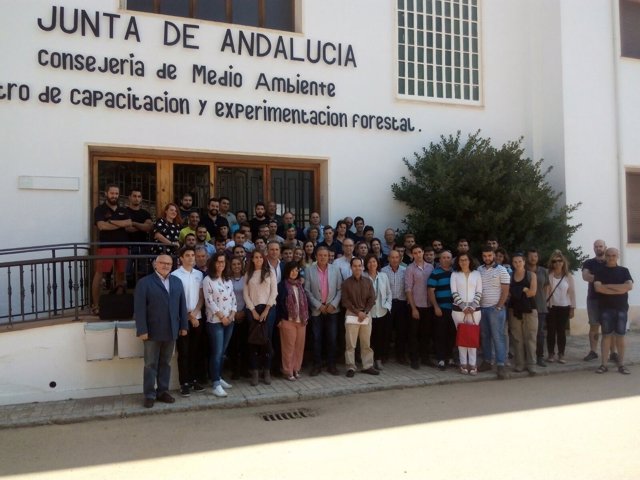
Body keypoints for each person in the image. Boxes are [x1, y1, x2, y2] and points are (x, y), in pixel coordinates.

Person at [134, 254, 188, 408]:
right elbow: (139, 309)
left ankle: (163, 391)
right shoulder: (144, 283)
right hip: (151, 331)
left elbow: (181, 306)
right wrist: (142, 329)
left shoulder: (177, 282)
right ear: (155, 264)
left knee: (165, 363)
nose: (166, 266)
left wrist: (184, 326)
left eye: (169, 264)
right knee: (150, 364)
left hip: (171, 330)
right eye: (162, 263)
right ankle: (149, 394)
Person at [92, 184, 132, 314]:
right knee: (99, 275)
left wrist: (111, 222)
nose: (114, 196)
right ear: (106, 193)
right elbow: (102, 226)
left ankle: (119, 304)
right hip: (106, 246)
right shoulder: (99, 209)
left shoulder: (123, 209)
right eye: (112, 193)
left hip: (123, 246)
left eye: (116, 193)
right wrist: (120, 223)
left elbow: (128, 223)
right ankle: (96, 305)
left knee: (120, 275)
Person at [171, 247, 205, 397]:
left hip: (197, 319)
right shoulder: (175, 275)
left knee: (196, 351)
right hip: (182, 319)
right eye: (188, 255)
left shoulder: (199, 274)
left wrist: (196, 312)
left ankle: (193, 380)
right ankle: (184, 383)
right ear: (181, 258)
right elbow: (174, 300)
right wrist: (189, 316)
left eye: (193, 255)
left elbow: (201, 297)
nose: (191, 258)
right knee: (183, 352)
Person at [594, 248, 633, 375]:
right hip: (605, 309)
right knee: (606, 336)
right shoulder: (599, 271)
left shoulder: (624, 271)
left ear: (618, 256)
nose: (611, 257)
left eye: (614, 255)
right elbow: (598, 288)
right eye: (609, 255)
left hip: (621, 308)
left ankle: (621, 365)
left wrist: (608, 286)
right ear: (605, 256)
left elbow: (629, 286)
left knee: (620, 337)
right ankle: (604, 364)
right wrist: (619, 289)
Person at [304, 246, 343, 376]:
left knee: (332, 338)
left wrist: (333, 304)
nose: (323, 257)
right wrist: (318, 305)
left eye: (325, 255)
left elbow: (340, 289)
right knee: (316, 339)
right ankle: (317, 365)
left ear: (329, 256)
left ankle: (331, 365)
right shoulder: (309, 270)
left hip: (332, 309)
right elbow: (307, 291)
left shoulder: (336, 270)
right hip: (317, 310)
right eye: (320, 255)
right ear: (316, 256)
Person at [202, 252, 236, 397]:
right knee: (216, 353)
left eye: (223, 262)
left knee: (222, 352)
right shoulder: (208, 280)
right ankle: (215, 383)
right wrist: (222, 317)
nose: (221, 264)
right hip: (215, 321)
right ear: (213, 263)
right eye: (218, 262)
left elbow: (233, 298)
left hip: (230, 320)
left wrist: (232, 314)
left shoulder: (227, 279)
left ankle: (219, 377)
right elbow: (209, 301)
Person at [243, 250, 278, 386]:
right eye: (255, 257)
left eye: (260, 257)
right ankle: (255, 372)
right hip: (253, 310)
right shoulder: (248, 274)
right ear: (252, 259)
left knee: (266, 341)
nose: (258, 259)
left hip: (268, 309)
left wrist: (266, 310)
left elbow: (274, 292)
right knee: (254, 341)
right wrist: (253, 311)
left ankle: (267, 370)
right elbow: (246, 295)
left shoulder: (270, 272)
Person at [342, 257, 379, 377]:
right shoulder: (346, 283)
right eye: (355, 266)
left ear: (363, 267)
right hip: (352, 315)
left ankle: (367, 365)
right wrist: (358, 312)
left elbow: (372, 298)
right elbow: (345, 301)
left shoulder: (368, 281)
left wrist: (365, 311)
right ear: (351, 267)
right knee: (350, 344)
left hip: (366, 315)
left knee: (366, 343)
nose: (357, 268)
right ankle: (350, 367)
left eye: (359, 266)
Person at [477, 246, 510, 379]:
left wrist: (499, 306)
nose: (487, 258)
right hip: (482, 308)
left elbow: (505, 290)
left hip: (495, 309)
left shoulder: (502, 270)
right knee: (485, 336)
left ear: (494, 255)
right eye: (485, 256)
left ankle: (500, 364)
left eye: (489, 256)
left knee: (498, 337)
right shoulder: (479, 270)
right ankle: (487, 361)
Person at [451, 253, 482, 375]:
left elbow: (479, 291)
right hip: (459, 310)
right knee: (462, 336)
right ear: (458, 262)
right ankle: (463, 363)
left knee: (472, 336)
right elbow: (454, 291)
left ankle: (473, 363)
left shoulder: (477, 274)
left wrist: (473, 306)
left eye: (466, 260)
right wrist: (463, 306)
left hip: (475, 310)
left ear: (470, 261)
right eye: (461, 260)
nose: (464, 262)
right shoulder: (454, 274)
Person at [277, 261, 309, 381]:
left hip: (301, 321)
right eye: (292, 270)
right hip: (288, 320)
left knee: (299, 347)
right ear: (287, 271)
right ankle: (288, 370)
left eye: (297, 270)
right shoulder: (282, 285)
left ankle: (296, 369)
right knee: (288, 347)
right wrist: (280, 320)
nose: (295, 272)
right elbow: (279, 303)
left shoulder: (300, 285)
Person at [405, 244, 434, 369]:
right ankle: (414, 359)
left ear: (423, 252)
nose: (417, 255)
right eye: (415, 253)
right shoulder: (410, 268)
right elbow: (408, 289)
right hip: (415, 306)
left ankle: (425, 357)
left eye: (419, 252)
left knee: (426, 334)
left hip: (428, 306)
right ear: (412, 255)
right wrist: (413, 308)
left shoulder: (431, 267)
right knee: (413, 334)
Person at [509, 253, 538, 375]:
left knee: (530, 337)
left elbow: (532, 292)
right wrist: (523, 290)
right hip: (514, 309)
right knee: (517, 338)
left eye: (519, 261)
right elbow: (508, 293)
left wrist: (519, 291)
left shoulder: (531, 275)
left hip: (529, 309)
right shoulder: (510, 276)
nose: (517, 264)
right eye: (515, 262)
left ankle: (531, 364)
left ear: (524, 262)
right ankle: (519, 364)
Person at [546, 250, 576, 364]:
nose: (557, 263)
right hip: (551, 307)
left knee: (561, 331)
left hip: (564, 307)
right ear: (552, 263)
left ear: (563, 262)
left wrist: (572, 308)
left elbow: (572, 293)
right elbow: (546, 293)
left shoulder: (568, 276)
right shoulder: (549, 276)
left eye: (560, 261)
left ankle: (561, 354)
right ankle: (550, 353)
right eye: (555, 261)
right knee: (551, 331)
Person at [427, 250, 455, 370]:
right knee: (440, 335)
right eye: (443, 257)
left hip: (455, 310)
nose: (446, 259)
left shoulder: (456, 273)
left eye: (448, 257)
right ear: (440, 259)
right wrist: (436, 306)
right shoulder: (435, 273)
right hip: (441, 309)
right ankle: (441, 359)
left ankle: (450, 358)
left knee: (452, 334)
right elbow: (430, 291)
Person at [363, 254, 392, 371]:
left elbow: (389, 293)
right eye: (369, 262)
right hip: (367, 313)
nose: (372, 264)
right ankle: (368, 361)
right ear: (366, 264)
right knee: (368, 338)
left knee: (380, 337)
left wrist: (388, 306)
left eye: (374, 262)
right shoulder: (363, 277)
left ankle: (378, 360)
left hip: (382, 311)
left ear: (377, 263)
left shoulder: (383, 276)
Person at [381, 250, 409, 364]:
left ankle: (400, 355)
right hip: (388, 304)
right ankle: (384, 355)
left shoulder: (405, 271)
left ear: (400, 259)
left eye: (396, 257)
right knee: (386, 331)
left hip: (402, 303)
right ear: (388, 258)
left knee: (401, 331)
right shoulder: (383, 271)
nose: (394, 259)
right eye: (392, 257)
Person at [582, 239, 608, 362]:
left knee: (609, 327)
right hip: (593, 299)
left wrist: (596, 278)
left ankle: (612, 352)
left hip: (609, 299)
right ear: (593, 248)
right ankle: (593, 351)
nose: (599, 248)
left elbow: (615, 275)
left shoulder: (610, 262)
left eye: (600, 246)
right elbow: (585, 276)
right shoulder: (589, 263)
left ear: (605, 247)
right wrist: (604, 278)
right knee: (594, 326)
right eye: (596, 246)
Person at [527, 248, 550, 368]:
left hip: (540, 307)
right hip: (526, 306)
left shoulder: (543, 271)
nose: (533, 259)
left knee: (539, 334)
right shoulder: (523, 270)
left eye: (535, 256)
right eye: (531, 256)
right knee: (527, 334)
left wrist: (543, 300)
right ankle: (529, 357)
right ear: (527, 257)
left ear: (538, 258)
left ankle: (540, 357)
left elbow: (546, 287)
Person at [125, 189, 153, 283]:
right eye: (134, 196)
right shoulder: (124, 212)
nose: (136, 198)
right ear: (129, 197)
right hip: (127, 246)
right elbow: (126, 228)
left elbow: (148, 228)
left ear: (141, 199)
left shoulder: (145, 213)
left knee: (143, 273)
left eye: (139, 196)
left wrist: (133, 223)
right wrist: (142, 226)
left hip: (143, 246)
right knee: (126, 273)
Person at [228, 257, 249, 380]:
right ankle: (235, 370)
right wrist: (234, 313)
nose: (236, 266)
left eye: (238, 264)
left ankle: (245, 369)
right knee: (233, 345)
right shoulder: (227, 279)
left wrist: (244, 312)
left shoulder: (246, 278)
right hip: (232, 315)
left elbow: (250, 295)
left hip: (245, 314)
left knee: (245, 344)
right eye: (234, 264)